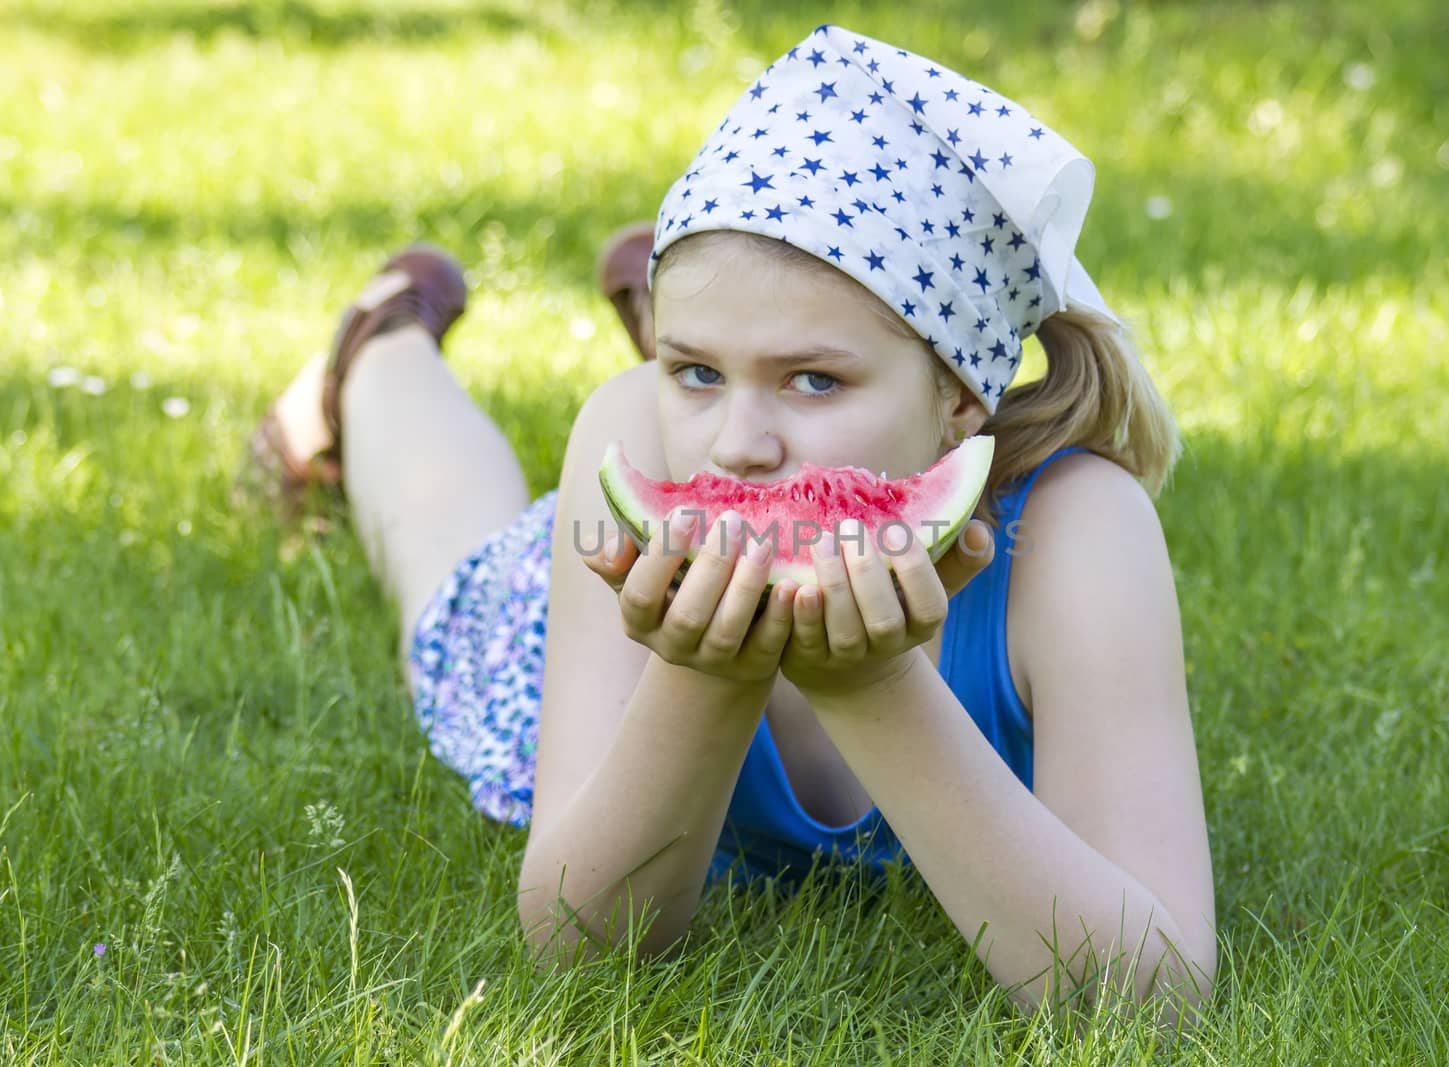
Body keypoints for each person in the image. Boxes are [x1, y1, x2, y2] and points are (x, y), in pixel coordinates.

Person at [245, 25, 1214, 1018]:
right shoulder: (633, 439)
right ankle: (378, 348)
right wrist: (708, 669)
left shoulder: (1076, 532)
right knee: (443, 550)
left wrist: (871, 683)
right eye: (697, 367)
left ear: (960, 398)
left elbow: (1156, 1000)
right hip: (575, 604)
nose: (738, 447)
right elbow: (582, 947)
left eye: (813, 377)